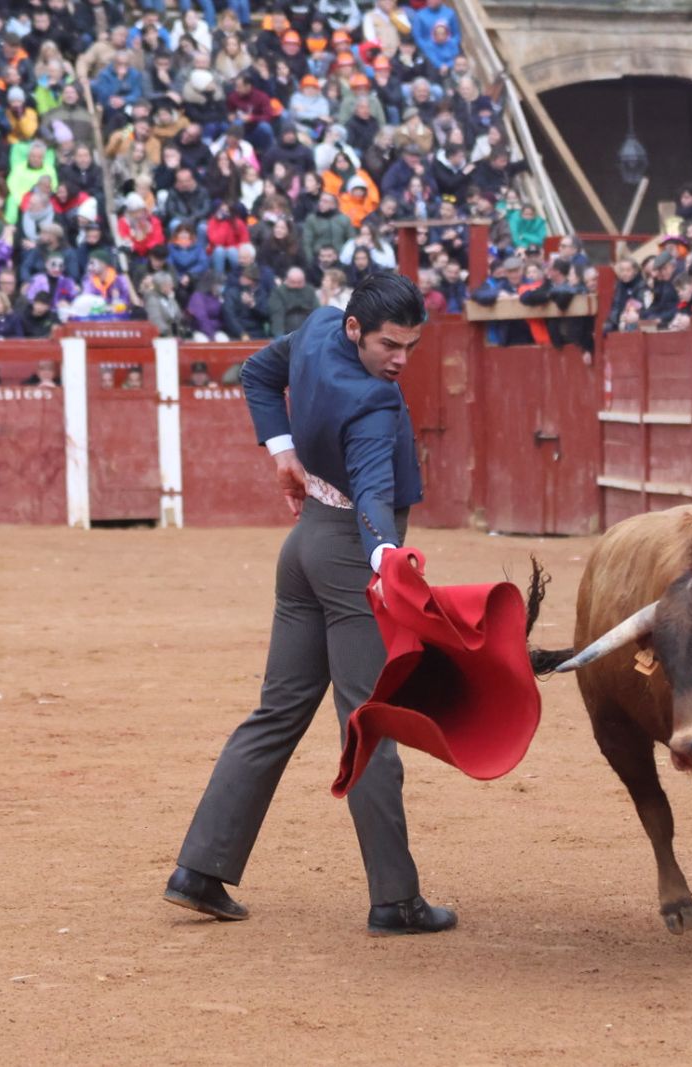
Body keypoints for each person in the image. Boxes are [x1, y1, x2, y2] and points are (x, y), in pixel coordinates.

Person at [166, 273, 455, 936]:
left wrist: (282, 452)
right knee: (369, 723)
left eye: (411, 345)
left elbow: (258, 373)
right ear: (357, 328)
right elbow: (377, 497)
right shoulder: (376, 405)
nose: (401, 361)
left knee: (277, 710)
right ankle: (396, 899)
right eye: (390, 343)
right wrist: (385, 556)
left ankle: (199, 870)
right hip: (352, 554)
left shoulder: (324, 326)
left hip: (304, 549)